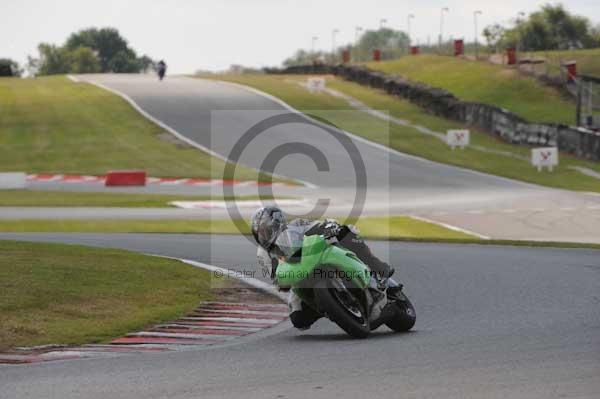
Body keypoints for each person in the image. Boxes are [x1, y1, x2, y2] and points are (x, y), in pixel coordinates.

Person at [251, 206, 395, 330]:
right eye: (260, 234)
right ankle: (330, 308)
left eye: (266, 231)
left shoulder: (297, 225)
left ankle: (377, 269)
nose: (264, 236)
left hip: (320, 254)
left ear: (277, 223)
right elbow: (274, 278)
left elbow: (321, 225)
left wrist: (330, 227)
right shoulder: (263, 254)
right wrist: (281, 283)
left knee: (347, 232)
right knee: (298, 320)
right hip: (299, 275)